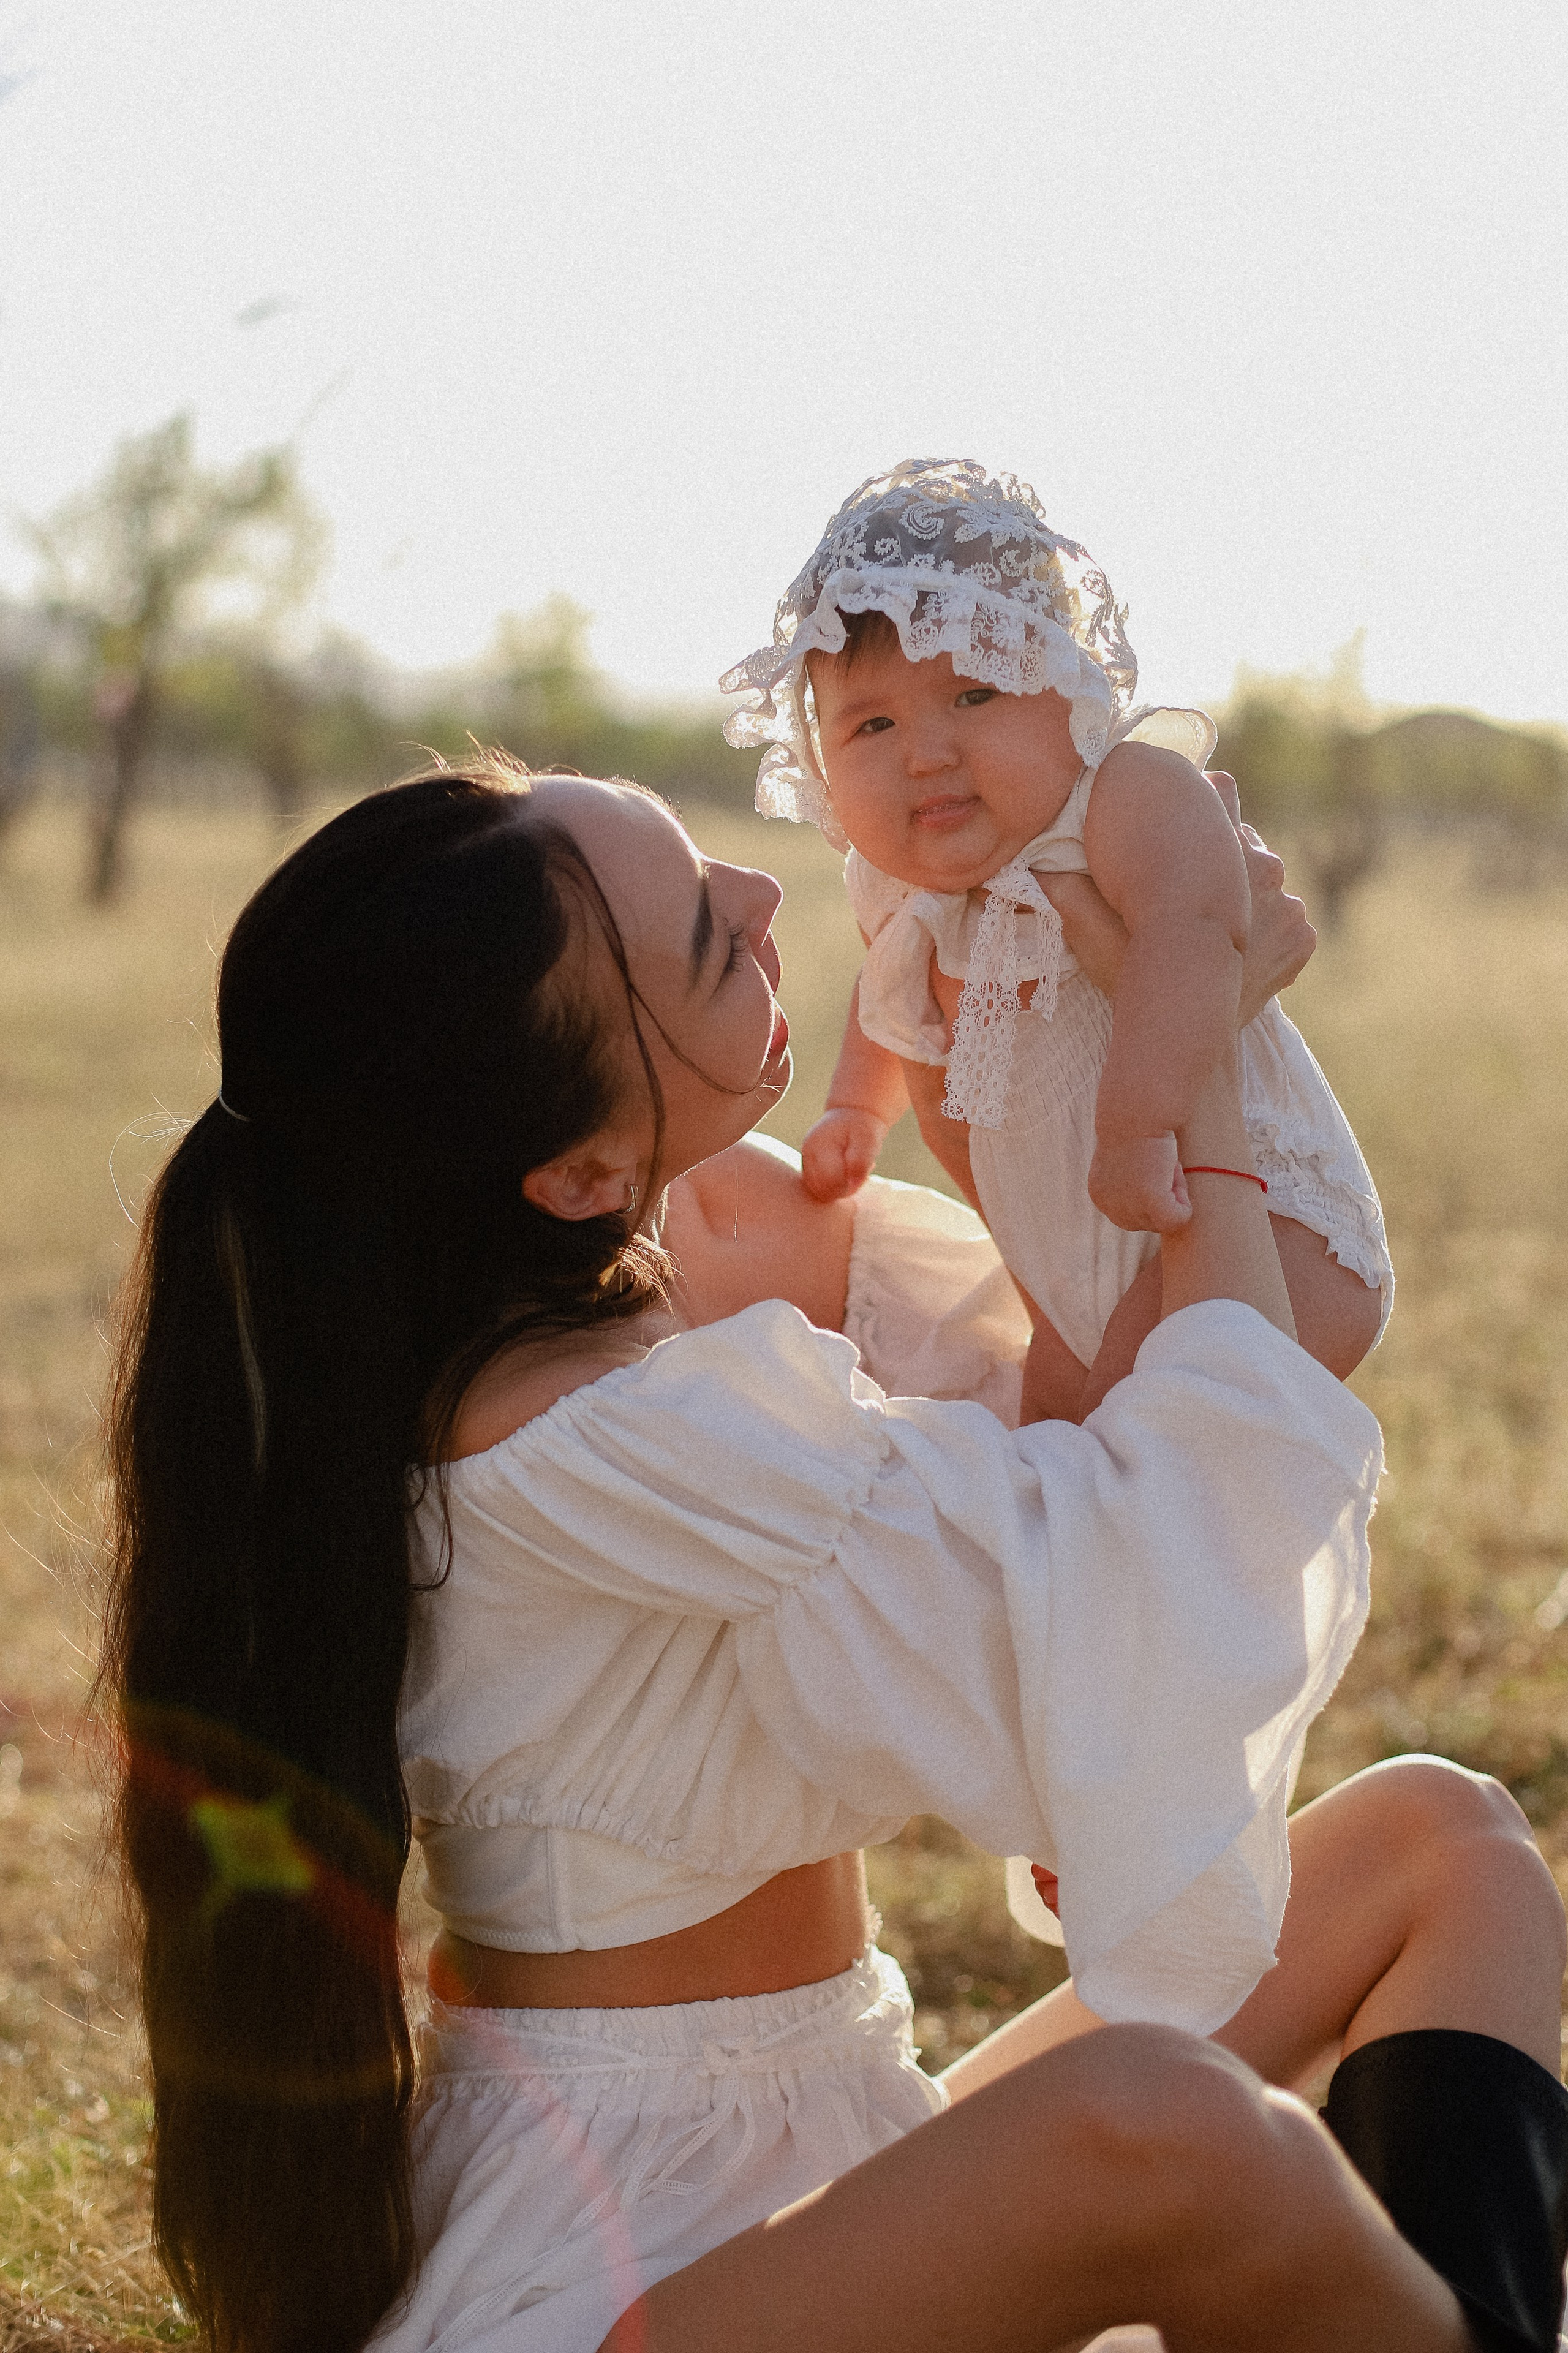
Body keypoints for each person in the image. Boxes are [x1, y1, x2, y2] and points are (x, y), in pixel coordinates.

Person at [100, 762, 1567, 2353]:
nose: (763, 897)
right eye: (705, 943)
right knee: (1165, 2130)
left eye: (707, 864)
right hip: (625, 2267)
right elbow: (1137, 1539)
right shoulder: (588, 1424)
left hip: (832, 2137)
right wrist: (1191, 1063)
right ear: (576, 1171)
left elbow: (1105, 1371)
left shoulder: (619, 1252)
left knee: (1442, 1843)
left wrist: (1101, 1010)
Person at [721, 458, 1393, 1424]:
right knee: (1057, 1426)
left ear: (1066, 682)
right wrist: (855, 1114)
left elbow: (1195, 933)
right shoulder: (900, 886)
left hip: (1265, 1224)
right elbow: (895, 997)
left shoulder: (1120, 799)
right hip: (1080, 1267)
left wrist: (1138, 1121)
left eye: (974, 697)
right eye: (873, 722)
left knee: (1125, 1417)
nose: (927, 752)